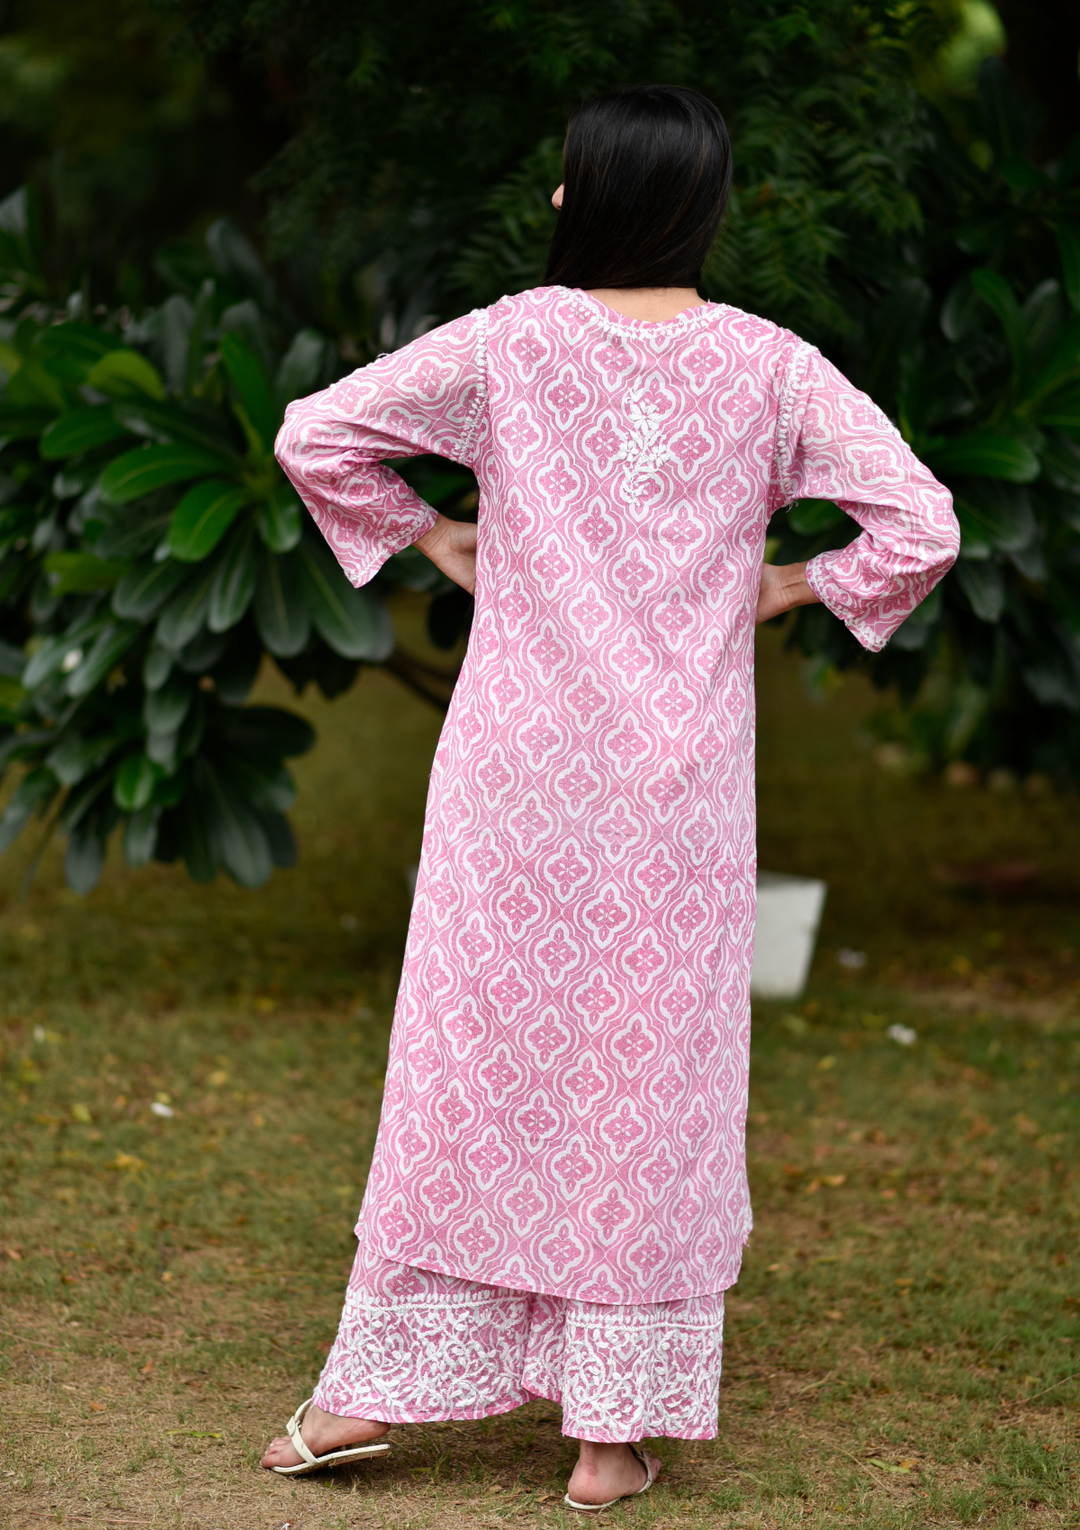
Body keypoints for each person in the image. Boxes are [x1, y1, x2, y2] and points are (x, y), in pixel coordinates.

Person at [263, 84, 958, 1510]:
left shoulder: (509, 341)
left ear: (581, 199)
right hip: (675, 796)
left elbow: (315, 434)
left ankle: (363, 1393)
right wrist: (795, 583)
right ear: (706, 208)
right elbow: (922, 523)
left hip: (513, 776)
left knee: (469, 1063)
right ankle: (608, 1435)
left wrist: (432, 535)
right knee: (654, 1083)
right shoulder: (771, 368)